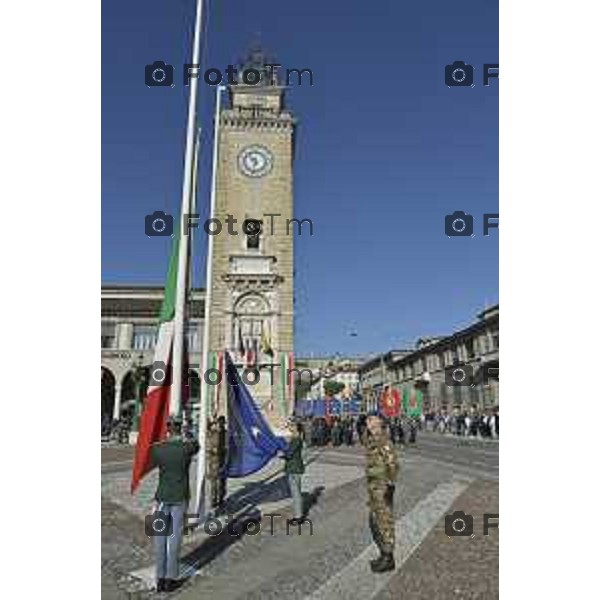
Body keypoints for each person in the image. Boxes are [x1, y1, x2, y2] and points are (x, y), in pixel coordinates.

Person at [148, 416, 199, 593]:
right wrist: (188, 432)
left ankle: (160, 578)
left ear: (167, 429)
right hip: (179, 497)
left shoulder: (158, 449)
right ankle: (170, 578)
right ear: (180, 428)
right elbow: (196, 444)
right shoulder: (186, 448)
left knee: (159, 538)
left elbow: (152, 453)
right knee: (175, 537)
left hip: (162, 497)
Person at [365, 412, 399, 573]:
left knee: (384, 522)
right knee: (374, 521)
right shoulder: (373, 440)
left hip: (383, 488)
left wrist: (390, 486)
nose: (369, 423)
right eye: (367, 421)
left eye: (372, 420)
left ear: (380, 422)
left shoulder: (384, 440)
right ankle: (383, 553)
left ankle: (388, 557)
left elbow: (392, 463)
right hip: (374, 489)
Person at [283, 421, 305, 523]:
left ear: (297, 429)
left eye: (293, 425)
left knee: (296, 494)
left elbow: (289, 454)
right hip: (294, 468)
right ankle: (298, 515)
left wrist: (281, 453)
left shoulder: (296, 440)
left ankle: (298, 517)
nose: (290, 426)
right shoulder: (295, 439)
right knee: (296, 493)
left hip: (294, 469)